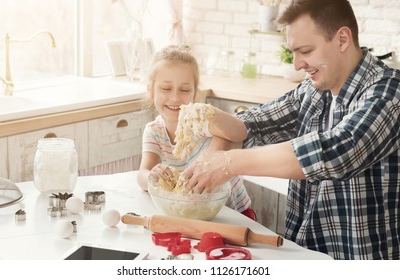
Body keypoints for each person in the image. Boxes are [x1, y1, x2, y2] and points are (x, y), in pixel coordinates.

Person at [182, 0, 400, 260]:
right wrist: (204, 127)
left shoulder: (389, 93)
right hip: (303, 255)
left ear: (342, 39)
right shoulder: (313, 91)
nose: (297, 64)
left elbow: (337, 151)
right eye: (293, 52)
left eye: (305, 51)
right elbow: (247, 127)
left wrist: (227, 162)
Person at [137, 45, 256, 220]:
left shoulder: (201, 122)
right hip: (193, 214)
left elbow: (240, 133)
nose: (175, 97)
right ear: (151, 91)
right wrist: (151, 177)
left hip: (233, 213)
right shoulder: (154, 131)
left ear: (194, 94)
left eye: (184, 90)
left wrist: (212, 113)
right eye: (166, 88)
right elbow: (142, 174)